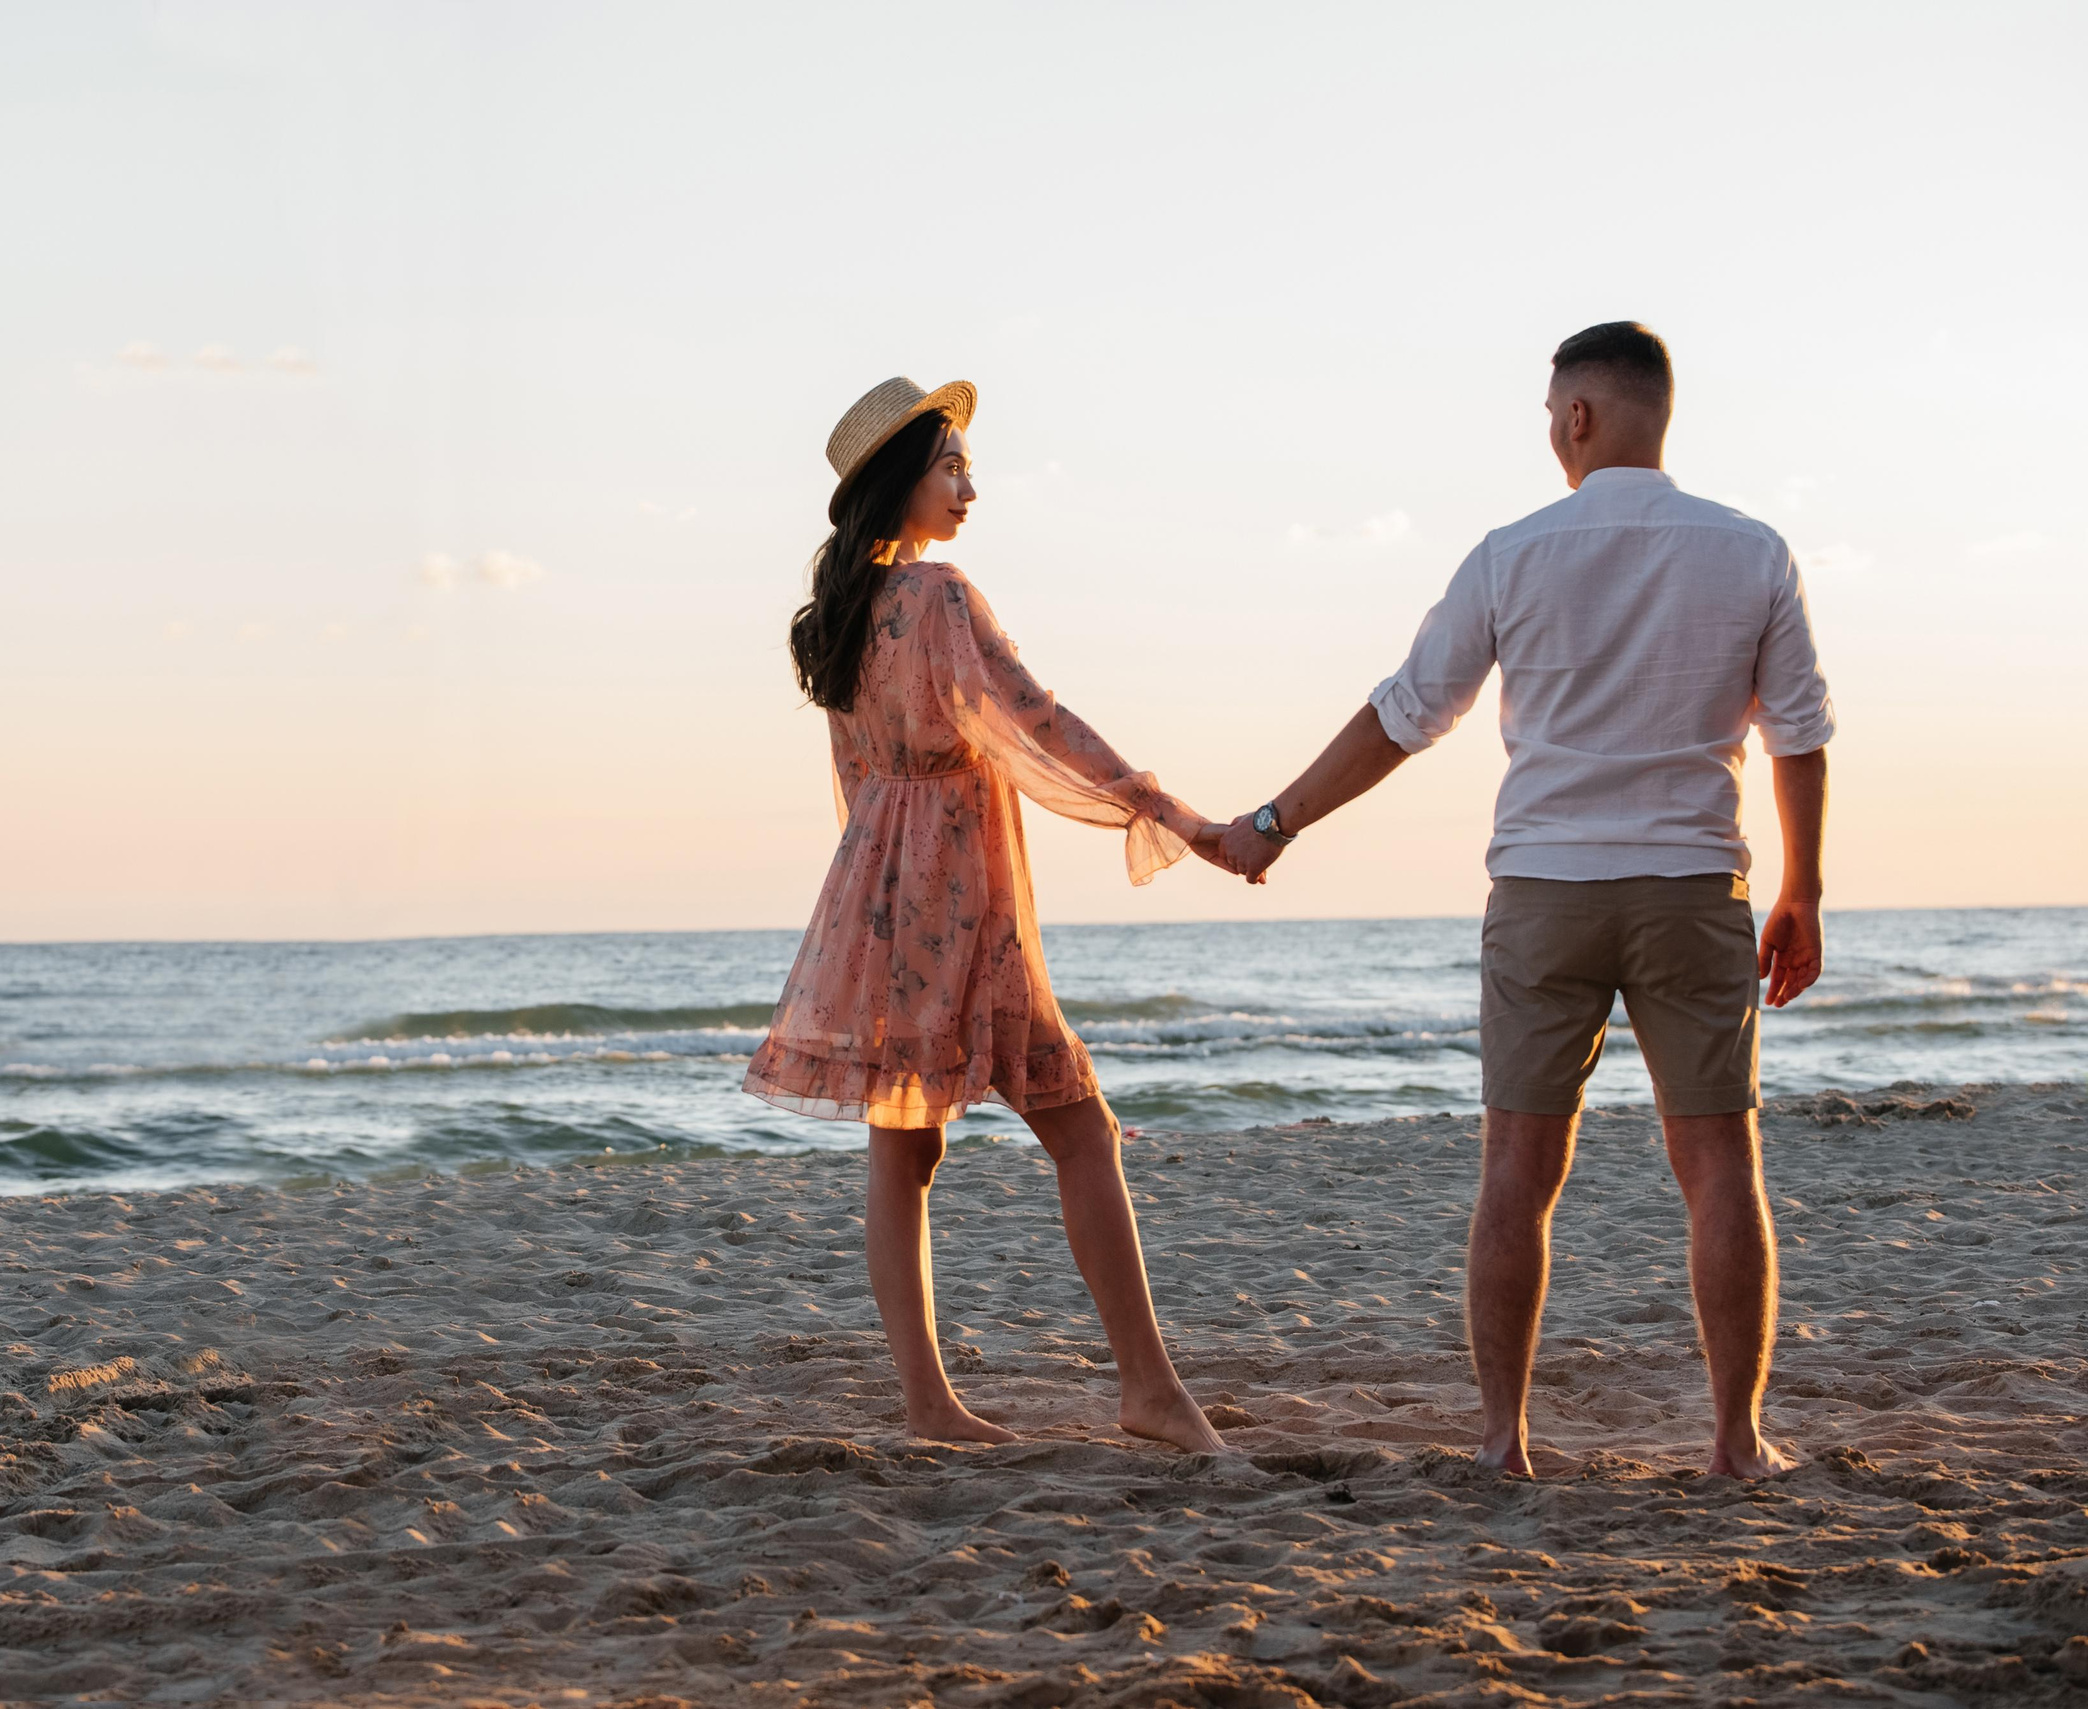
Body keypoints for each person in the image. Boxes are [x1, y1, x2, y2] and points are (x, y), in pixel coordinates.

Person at [1208, 323, 1834, 1478]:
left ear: (1582, 415)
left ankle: (1502, 1441)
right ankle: (1737, 1444)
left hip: (1544, 892)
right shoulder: (1751, 550)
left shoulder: (1511, 552)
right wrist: (1801, 887)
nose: (1550, 432)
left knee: (1517, 1172)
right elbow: (1795, 733)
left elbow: (1405, 714)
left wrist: (1271, 825)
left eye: (1554, 413)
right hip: (1695, 885)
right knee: (1718, 1166)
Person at [744, 376, 1225, 1454]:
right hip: (962, 891)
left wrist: (870, 905)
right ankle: (1147, 1388)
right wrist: (1165, 809)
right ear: (896, 482)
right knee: (1080, 1125)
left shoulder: (840, 620)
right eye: (950, 464)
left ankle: (927, 1403)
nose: (970, 485)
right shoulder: (938, 596)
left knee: (902, 1149)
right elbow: (1033, 716)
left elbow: (856, 779)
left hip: (876, 891)